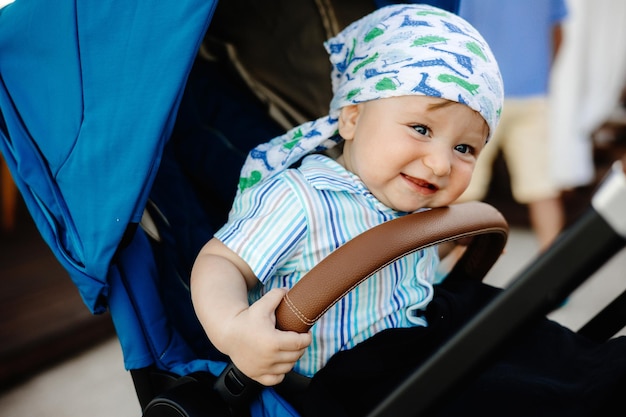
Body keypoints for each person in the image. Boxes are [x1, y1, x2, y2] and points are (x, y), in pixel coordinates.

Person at [191, 4, 626, 416]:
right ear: (352, 120)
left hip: (419, 332)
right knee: (518, 395)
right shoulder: (303, 197)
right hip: (354, 376)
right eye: (420, 129)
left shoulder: (414, 200)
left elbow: (389, 281)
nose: (440, 163)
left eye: (464, 148)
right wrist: (233, 329)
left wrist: (441, 249)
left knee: (535, 341)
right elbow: (221, 261)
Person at [455, 0, 568, 251]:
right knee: (542, 189)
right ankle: (557, 277)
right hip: (532, 94)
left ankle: (451, 273)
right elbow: (558, 33)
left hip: (482, 92)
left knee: (463, 186)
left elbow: (458, 31)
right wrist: (540, 75)